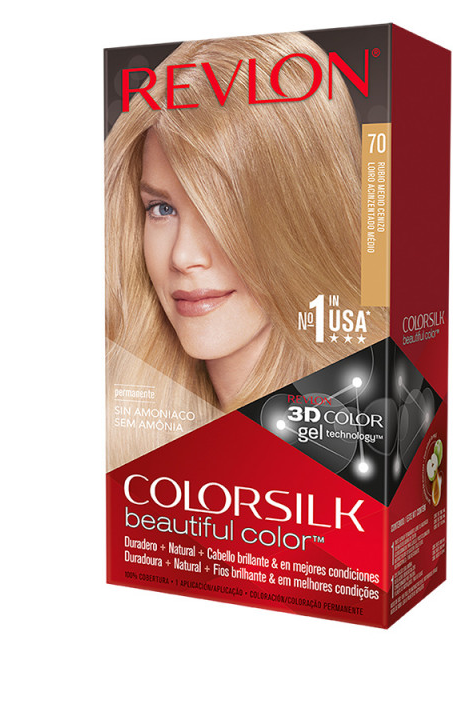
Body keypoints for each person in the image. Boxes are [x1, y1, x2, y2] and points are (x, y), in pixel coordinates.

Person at [105, 32, 387, 468]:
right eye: (162, 208)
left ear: (309, 215)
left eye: (224, 209)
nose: (183, 257)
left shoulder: (361, 442)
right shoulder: (120, 426)